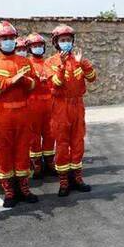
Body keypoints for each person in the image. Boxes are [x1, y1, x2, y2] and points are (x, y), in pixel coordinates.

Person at [0, 21, 39, 207]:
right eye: (5, 38)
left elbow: (34, 85)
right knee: (3, 151)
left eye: (11, 38)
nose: (9, 42)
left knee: (22, 150)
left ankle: (24, 188)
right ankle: (9, 191)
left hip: (22, 111)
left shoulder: (25, 61)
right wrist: (10, 82)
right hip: (2, 112)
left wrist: (24, 82)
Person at [45, 24, 96, 196]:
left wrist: (83, 64)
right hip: (60, 106)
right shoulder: (50, 62)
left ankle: (77, 178)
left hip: (77, 105)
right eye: (62, 40)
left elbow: (92, 78)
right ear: (56, 43)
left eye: (68, 40)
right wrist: (61, 64)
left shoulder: (79, 59)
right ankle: (64, 182)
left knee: (78, 142)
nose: (66, 43)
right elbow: (55, 83)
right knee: (62, 144)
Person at [27, 32, 56, 179]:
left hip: (49, 102)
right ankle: (36, 164)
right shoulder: (26, 64)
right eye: (34, 46)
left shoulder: (49, 63)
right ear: (29, 48)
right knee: (34, 135)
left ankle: (50, 162)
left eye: (40, 45)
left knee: (50, 133)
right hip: (33, 104)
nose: (38, 48)